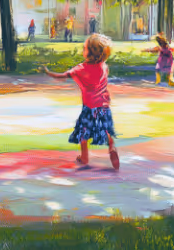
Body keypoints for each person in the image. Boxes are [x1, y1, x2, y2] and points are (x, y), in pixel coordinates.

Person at [41, 34, 119, 170]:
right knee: (106, 130)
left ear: (90, 52)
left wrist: (48, 72)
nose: (83, 50)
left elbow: (63, 76)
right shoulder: (104, 67)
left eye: (84, 48)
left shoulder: (81, 69)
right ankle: (111, 146)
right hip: (103, 106)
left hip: (89, 107)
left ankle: (84, 157)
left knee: (84, 131)